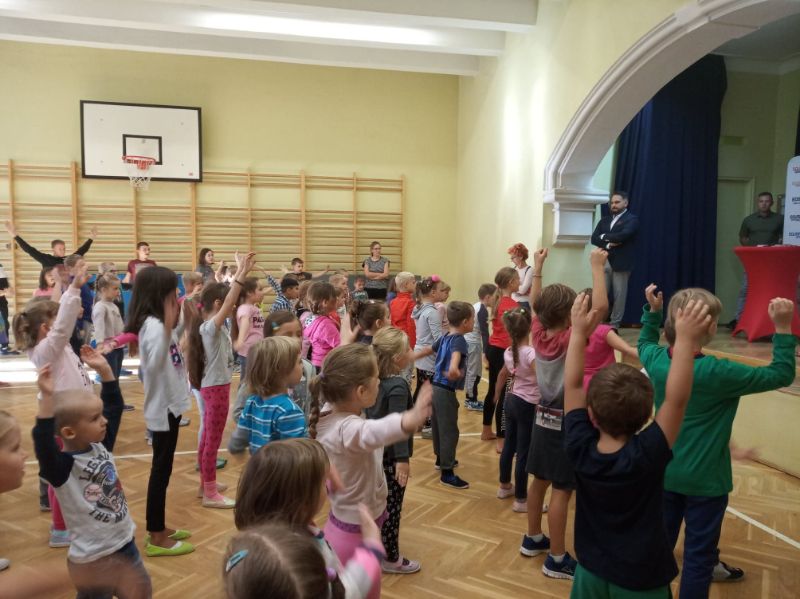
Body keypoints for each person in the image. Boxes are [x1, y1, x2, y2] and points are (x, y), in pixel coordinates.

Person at [638, 285, 796, 597]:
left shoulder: (655, 361)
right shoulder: (722, 372)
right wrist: (782, 327)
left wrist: (652, 312)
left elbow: (644, 342)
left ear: (671, 324)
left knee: (659, 549)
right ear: (712, 329)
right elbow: (781, 374)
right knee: (699, 559)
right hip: (707, 483)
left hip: (663, 474)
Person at [564, 292, 711, 598]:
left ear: (591, 412)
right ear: (647, 416)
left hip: (589, 571)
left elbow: (574, 384)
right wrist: (686, 341)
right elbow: (676, 400)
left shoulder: (579, 445)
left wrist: (577, 333)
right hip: (641, 579)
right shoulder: (647, 453)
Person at [309, 344, 432, 599]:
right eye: (376, 377)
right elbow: (373, 432)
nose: (380, 381)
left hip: (354, 524)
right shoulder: (346, 429)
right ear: (361, 391)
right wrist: (409, 419)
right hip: (353, 535)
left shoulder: (331, 410)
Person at [519, 247, 608, 581]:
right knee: (562, 489)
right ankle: (556, 558)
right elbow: (601, 307)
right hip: (567, 419)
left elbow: (535, 303)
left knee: (539, 480)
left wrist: (538, 267)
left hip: (542, 415)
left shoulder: (538, 334)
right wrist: (597, 266)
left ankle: (533, 537)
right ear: (570, 315)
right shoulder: (573, 336)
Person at [32, 364, 152, 599]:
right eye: (95, 418)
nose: (104, 421)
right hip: (93, 561)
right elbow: (43, 443)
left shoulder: (101, 446)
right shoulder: (62, 468)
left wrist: (106, 371)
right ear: (69, 432)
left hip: (125, 545)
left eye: (101, 415)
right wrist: (46, 398)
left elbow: (114, 407)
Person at [13, 259, 98, 547]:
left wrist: (64, 285)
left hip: (71, 414)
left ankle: (71, 519)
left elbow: (59, 320)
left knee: (70, 473)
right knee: (61, 477)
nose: (64, 321)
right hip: (62, 418)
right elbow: (62, 326)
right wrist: (74, 288)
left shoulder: (52, 346)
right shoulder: (47, 348)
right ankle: (60, 529)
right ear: (46, 327)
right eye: (56, 319)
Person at [232, 439, 384, 598]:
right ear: (302, 502)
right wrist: (371, 548)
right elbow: (345, 593)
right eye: (323, 482)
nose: (328, 484)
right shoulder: (300, 557)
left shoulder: (267, 534)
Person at [124, 265, 194, 556]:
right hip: (163, 407)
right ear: (159, 294)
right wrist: (167, 329)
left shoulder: (157, 324)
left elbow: (172, 349)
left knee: (163, 469)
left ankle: (159, 526)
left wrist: (181, 324)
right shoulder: (154, 327)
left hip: (170, 404)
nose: (176, 295)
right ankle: (155, 535)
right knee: (160, 471)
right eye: (173, 291)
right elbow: (150, 368)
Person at [184, 252, 255, 508]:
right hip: (215, 390)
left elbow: (224, 296)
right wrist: (241, 274)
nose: (232, 307)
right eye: (227, 304)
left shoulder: (212, 326)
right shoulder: (209, 328)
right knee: (212, 441)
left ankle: (205, 485)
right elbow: (229, 300)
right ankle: (210, 494)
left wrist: (239, 272)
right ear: (217, 304)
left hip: (216, 388)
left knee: (208, 438)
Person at [369, 327, 422, 574]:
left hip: (373, 455)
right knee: (392, 508)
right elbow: (398, 424)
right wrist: (402, 459)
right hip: (391, 460)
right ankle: (390, 558)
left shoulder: (372, 381)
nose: (411, 351)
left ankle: (372, 547)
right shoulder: (398, 386)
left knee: (376, 505)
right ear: (397, 358)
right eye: (408, 348)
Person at [227, 312, 315, 454]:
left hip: (265, 457)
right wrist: (266, 424)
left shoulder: (308, 368)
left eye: (299, 334)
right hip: (284, 459)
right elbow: (296, 453)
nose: (296, 340)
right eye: (287, 335)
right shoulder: (287, 410)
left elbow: (310, 400)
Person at [494, 307, 539, 513]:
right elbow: (541, 379)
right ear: (529, 328)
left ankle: (504, 486)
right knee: (523, 452)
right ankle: (521, 500)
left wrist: (497, 395)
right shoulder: (530, 353)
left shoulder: (508, 351)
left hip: (511, 400)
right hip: (526, 404)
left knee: (509, 446)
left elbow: (502, 374)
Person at [236, 336, 307, 454]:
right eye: (299, 362)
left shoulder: (252, 401)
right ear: (282, 371)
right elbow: (296, 454)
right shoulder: (289, 411)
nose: (303, 366)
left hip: (259, 462)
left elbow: (242, 433)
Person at [431, 301, 474, 490]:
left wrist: (414, 356)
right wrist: (454, 367)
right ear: (465, 322)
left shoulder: (445, 335)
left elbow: (431, 349)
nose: (474, 323)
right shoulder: (459, 340)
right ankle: (447, 473)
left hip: (435, 386)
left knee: (438, 426)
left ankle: (441, 459)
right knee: (449, 431)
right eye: (473, 319)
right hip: (445, 390)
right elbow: (456, 354)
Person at [728, 191, 784, 328]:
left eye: (767, 201)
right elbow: (742, 237)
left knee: (771, 290)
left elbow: (784, 237)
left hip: (772, 261)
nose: (764, 204)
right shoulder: (749, 220)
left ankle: (771, 321)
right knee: (745, 289)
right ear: (757, 203)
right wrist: (751, 247)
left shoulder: (780, 219)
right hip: (753, 260)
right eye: (761, 201)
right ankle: (739, 320)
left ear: (771, 203)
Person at [590, 191, 639, 331]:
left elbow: (623, 236)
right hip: (604, 260)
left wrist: (604, 236)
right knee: (601, 292)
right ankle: (598, 323)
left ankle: (614, 325)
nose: (613, 205)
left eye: (617, 202)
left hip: (622, 263)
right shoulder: (604, 220)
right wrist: (608, 244)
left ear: (626, 203)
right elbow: (594, 238)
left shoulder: (632, 219)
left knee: (619, 295)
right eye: (612, 203)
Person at [482, 267, 519, 448]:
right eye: (518, 279)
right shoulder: (512, 306)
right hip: (504, 352)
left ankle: (486, 430)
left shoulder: (497, 301)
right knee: (504, 394)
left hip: (493, 349)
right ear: (511, 283)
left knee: (492, 390)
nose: (520, 282)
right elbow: (514, 334)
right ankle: (501, 440)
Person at [411, 276, 444, 437]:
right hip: (429, 356)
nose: (442, 293)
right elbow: (438, 340)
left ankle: (416, 422)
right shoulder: (432, 312)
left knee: (421, 388)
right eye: (441, 290)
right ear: (432, 293)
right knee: (428, 391)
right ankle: (427, 425)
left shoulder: (419, 308)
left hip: (420, 353)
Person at [4, 220, 97, 268]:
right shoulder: (46, 259)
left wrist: (91, 238)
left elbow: (81, 251)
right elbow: (29, 250)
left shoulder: (68, 259)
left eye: (64, 249)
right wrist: (15, 235)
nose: (63, 251)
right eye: (60, 249)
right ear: (53, 250)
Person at [464, 283, 495, 412]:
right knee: (474, 373)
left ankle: (471, 399)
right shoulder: (482, 310)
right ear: (487, 297)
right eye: (495, 297)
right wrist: (485, 352)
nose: (496, 299)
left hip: (469, 342)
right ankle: (471, 400)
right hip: (473, 344)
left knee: (472, 372)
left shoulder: (476, 306)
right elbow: (485, 333)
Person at [231, 277, 266, 380]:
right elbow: (245, 321)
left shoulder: (255, 308)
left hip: (258, 350)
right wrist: (240, 340)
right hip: (248, 351)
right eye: (260, 289)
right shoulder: (245, 308)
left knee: (255, 379)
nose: (263, 292)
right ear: (249, 293)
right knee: (246, 381)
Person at [303, 282, 340, 371]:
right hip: (326, 365)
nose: (337, 299)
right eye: (335, 297)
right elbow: (340, 346)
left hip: (315, 363)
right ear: (325, 302)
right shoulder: (326, 325)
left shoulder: (310, 318)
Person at [509, 243, 534, 310]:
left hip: (523, 302)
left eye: (513, 258)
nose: (511, 260)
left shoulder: (530, 270)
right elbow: (507, 285)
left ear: (521, 257)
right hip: (512, 300)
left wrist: (511, 287)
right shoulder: (514, 269)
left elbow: (523, 290)